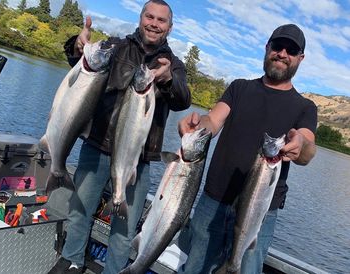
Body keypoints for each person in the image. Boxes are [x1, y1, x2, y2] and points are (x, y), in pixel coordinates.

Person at [48, 1, 191, 273]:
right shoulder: (115, 47)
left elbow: (183, 99)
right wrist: (77, 46)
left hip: (137, 159)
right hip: (97, 145)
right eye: (149, 16)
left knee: (123, 231)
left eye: (161, 20)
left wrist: (167, 79)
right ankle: (72, 261)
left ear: (169, 28)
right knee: (79, 211)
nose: (154, 23)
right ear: (140, 18)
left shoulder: (174, 65)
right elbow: (81, 67)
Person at [177, 24, 317, 274]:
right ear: (267, 48)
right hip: (214, 202)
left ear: (300, 58)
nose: (282, 54)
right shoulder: (239, 87)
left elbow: (307, 151)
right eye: (277, 46)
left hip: (261, 213)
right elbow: (214, 120)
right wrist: (197, 126)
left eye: (291, 50)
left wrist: (301, 144)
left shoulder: (305, 107)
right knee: (194, 269)